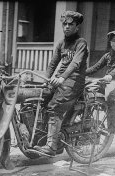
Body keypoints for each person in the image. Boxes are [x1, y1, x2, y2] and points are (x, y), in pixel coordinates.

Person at [34, 11, 89, 156]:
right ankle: (38, 138)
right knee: (39, 98)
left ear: (77, 27)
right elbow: (53, 64)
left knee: (54, 107)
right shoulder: (61, 43)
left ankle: (51, 147)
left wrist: (62, 77)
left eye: (71, 24)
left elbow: (75, 64)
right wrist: (46, 80)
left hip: (74, 81)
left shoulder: (81, 43)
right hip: (60, 79)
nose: (67, 27)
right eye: (64, 24)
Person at [86, 30, 115, 134]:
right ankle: (86, 121)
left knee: (109, 95)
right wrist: (80, 73)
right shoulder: (107, 55)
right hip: (106, 80)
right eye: (114, 40)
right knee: (85, 92)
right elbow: (95, 67)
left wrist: (110, 75)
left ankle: (113, 126)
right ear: (110, 43)